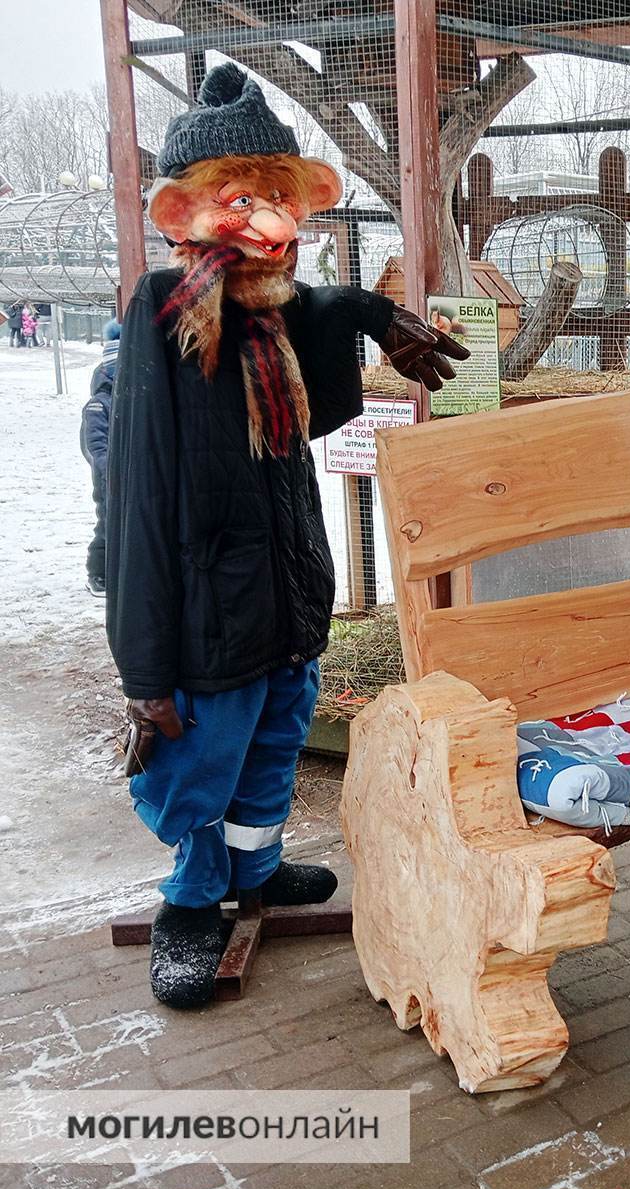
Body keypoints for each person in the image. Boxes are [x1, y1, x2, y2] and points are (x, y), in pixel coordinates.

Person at [107, 62, 469, 1010]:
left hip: (288, 592)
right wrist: (144, 670)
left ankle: (256, 871)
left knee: (273, 748)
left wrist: (370, 312)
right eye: (239, 200)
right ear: (186, 215)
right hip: (204, 617)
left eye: (275, 198)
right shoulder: (162, 318)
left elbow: (309, 331)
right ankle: (191, 903)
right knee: (205, 765)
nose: (268, 222)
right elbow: (136, 502)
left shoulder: (273, 323)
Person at [81, 319, 119, 596]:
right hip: (108, 476)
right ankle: (98, 572)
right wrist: (109, 471)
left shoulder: (124, 399)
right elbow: (95, 444)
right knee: (106, 522)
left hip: (124, 473)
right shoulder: (98, 404)